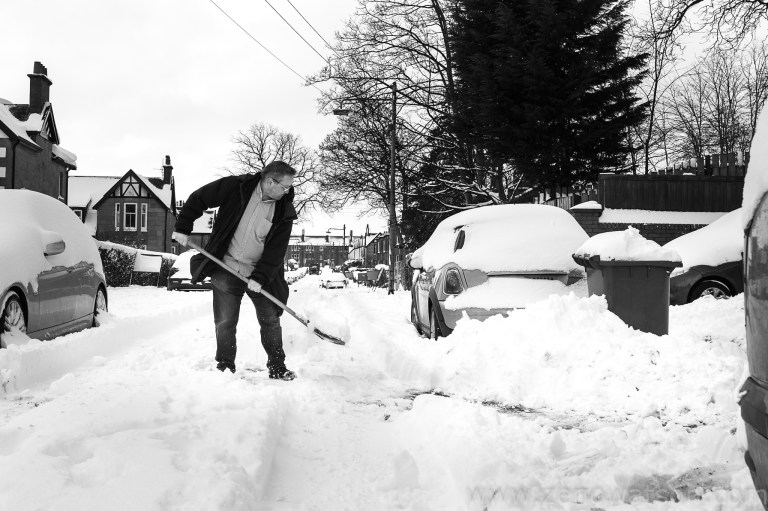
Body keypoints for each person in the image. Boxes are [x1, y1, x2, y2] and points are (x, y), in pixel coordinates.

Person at [172, 161, 298, 380]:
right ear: (270, 181)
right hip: (226, 265)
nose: (288, 191)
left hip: (261, 274)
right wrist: (183, 227)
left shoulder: (284, 209)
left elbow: (277, 250)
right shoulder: (236, 187)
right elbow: (199, 198)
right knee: (225, 320)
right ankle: (225, 367)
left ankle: (277, 367)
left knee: (270, 320)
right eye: (285, 187)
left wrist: (260, 277)